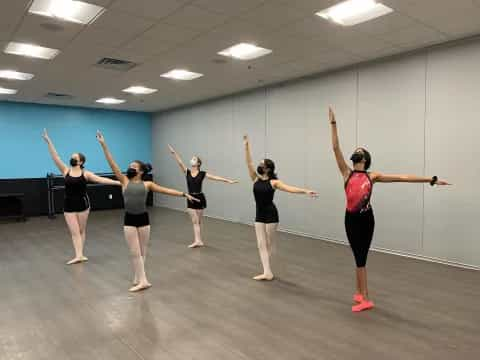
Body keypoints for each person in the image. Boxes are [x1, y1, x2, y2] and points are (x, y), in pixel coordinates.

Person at [328, 107, 451, 312]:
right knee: (356, 255)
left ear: (365, 159)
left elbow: (402, 177)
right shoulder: (346, 173)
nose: (356, 154)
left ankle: (366, 298)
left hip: (366, 220)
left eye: (359, 152)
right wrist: (333, 124)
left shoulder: (372, 176)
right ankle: (359, 292)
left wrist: (432, 179)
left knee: (361, 258)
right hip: (349, 219)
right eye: (355, 152)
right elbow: (335, 148)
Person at [97, 131, 199, 292]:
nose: (130, 168)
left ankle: (141, 279)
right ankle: (141, 278)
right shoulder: (124, 180)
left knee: (142, 251)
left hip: (143, 219)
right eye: (129, 166)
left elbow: (165, 190)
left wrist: (183, 194)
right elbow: (112, 164)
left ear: (141, 171)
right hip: (129, 219)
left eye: (133, 167)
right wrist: (103, 145)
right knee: (134, 252)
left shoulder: (147, 185)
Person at [243, 135, 318, 281]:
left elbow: (289, 188)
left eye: (262, 164)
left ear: (268, 168)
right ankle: (267, 272)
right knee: (260, 244)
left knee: (270, 243)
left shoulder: (274, 182)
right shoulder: (255, 178)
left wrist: (305, 191)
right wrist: (246, 146)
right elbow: (249, 163)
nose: (259, 165)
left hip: (271, 215)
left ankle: (270, 266)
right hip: (259, 214)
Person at [42, 129, 121, 265]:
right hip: (68, 205)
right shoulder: (65, 170)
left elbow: (102, 180)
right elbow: (56, 157)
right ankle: (78, 255)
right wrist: (49, 142)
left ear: (81, 161)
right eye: (72, 157)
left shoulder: (86, 174)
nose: (72, 159)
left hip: (83, 204)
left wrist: (120, 182)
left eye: (75, 158)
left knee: (81, 230)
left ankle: (81, 254)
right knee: (74, 231)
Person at [168, 144, 238, 248]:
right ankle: (197, 240)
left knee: (198, 222)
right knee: (195, 221)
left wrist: (228, 181)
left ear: (198, 163)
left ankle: (199, 240)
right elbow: (180, 162)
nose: (192, 160)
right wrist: (174, 153)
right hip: (190, 198)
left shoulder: (202, 173)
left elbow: (215, 177)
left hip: (200, 198)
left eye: (194, 159)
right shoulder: (187, 172)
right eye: (192, 159)